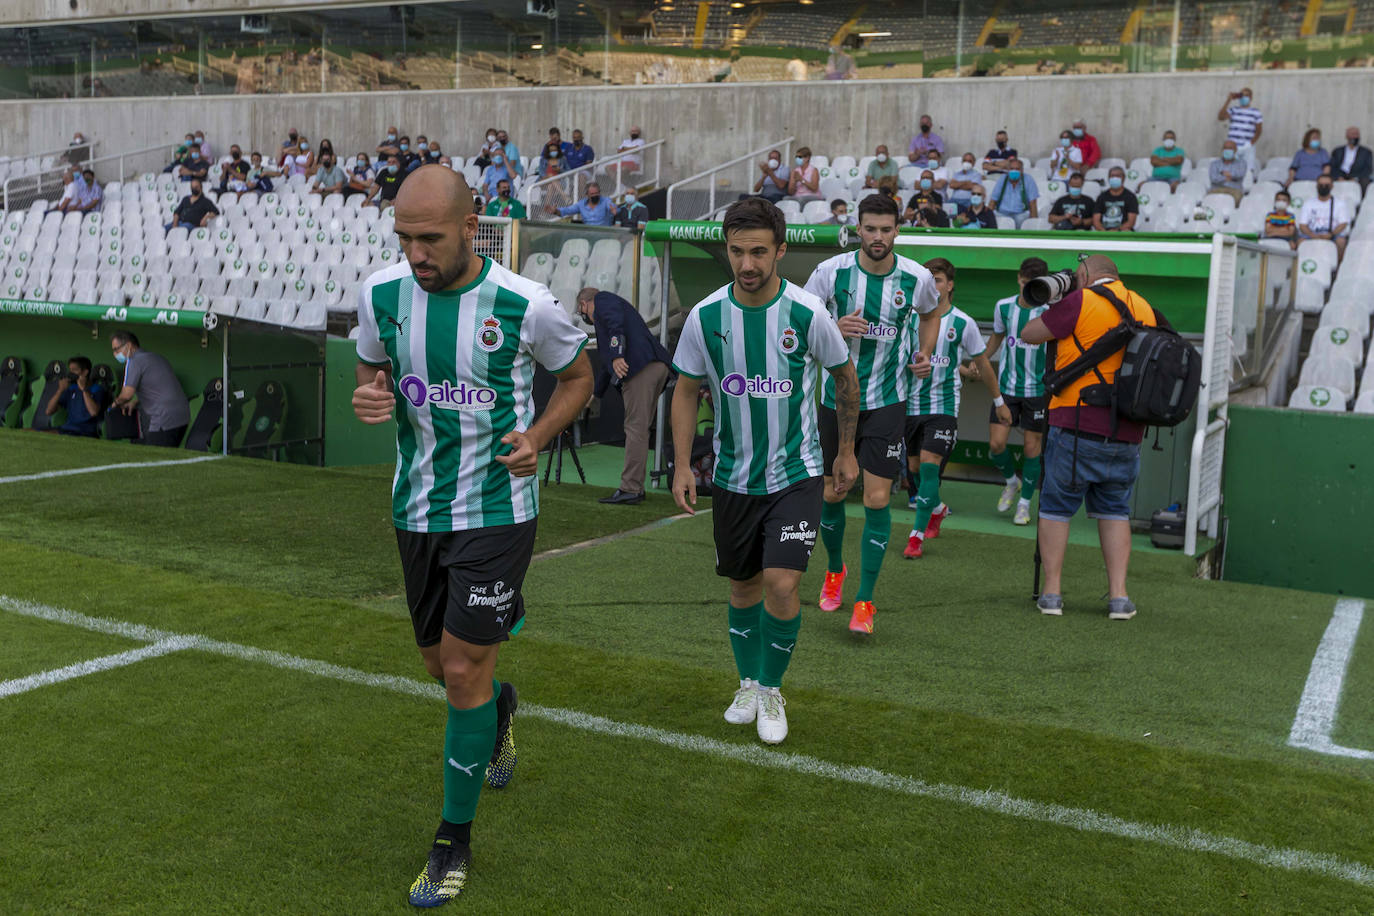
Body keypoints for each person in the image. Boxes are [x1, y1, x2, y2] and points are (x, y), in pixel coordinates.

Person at [350, 164, 593, 907]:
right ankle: (502, 704)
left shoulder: (527, 305)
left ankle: (452, 840)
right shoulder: (380, 294)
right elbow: (371, 368)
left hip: (496, 507)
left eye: (430, 238)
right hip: (415, 508)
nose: (417, 254)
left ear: (470, 223)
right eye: (405, 238)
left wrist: (539, 433)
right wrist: (371, 391)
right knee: (438, 664)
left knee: (460, 672)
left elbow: (579, 379)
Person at [669, 196, 859, 744]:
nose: (747, 263)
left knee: (781, 583)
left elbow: (844, 380)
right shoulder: (706, 316)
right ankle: (748, 682)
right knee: (744, 586)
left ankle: (773, 689)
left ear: (780, 251)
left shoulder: (806, 313)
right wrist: (683, 464)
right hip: (731, 478)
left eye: (758, 252)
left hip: (796, 474)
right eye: (737, 252)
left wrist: (845, 451)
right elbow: (685, 389)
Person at [803, 193, 939, 635]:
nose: (878, 237)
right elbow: (801, 318)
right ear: (857, 229)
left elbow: (931, 313)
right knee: (833, 493)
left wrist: (924, 352)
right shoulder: (831, 272)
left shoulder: (916, 278)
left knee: (878, 499)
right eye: (870, 228)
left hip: (886, 401)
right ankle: (835, 570)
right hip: (834, 399)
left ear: (897, 230)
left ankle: (865, 600)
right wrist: (832, 326)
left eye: (886, 229)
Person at [1019, 255, 1159, 621]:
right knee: (1114, 511)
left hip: (1076, 420)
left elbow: (1029, 334)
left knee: (1055, 508)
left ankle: (1051, 593)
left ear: (1085, 274)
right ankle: (1119, 598)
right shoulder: (1142, 305)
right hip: (1128, 428)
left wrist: (1058, 302)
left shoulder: (1080, 301)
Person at [901, 258, 1011, 559]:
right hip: (908, 406)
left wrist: (999, 401)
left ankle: (916, 537)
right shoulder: (910, 318)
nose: (932, 285)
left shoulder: (963, 322)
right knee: (914, 472)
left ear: (949, 285)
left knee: (928, 466)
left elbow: (983, 362)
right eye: (927, 279)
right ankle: (937, 509)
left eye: (936, 279)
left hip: (943, 408)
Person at [576, 286, 672, 505]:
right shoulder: (607, 310)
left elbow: (615, 324)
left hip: (640, 368)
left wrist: (618, 354)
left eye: (582, 311)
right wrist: (595, 394)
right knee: (640, 428)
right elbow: (604, 365)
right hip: (654, 367)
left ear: (584, 304)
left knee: (635, 428)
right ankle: (634, 486)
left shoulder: (603, 300)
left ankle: (630, 488)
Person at [979, 258, 1050, 526]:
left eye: (1034, 284)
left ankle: (1024, 504)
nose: (1028, 287)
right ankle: (1011, 482)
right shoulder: (1004, 307)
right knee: (996, 445)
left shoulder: (1050, 310)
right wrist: (980, 361)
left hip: (1038, 391)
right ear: (1019, 279)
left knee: (1032, 449)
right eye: (1024, 282)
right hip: (1007, 389)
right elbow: (996, 338)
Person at [110, 331, 191, 447]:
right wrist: (135, 401)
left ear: (128, 345)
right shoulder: (156, 357)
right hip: (183, 416)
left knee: (154, 459)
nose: (115, 353)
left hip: (164, 418)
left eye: (116, 349)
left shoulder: (134, 361)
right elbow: (156, 387)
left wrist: (115, 404)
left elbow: (126, 394)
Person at [45, 356, 105, 438]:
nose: (71, 373)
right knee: (31, 431)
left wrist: (84, 389)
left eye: (74, 370)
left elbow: (93, 412)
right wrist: (60, 390)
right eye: (70, 370)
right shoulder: (72, 389)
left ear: (85, 372)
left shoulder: (97, 389)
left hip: (85, 431)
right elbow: (49, 411)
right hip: (67, 428)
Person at [1298, 178, 1351, 260]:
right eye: (1321, 185)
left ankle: (1337, 268)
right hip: (1312, 233)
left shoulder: (1340, 203)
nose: (1323, 187)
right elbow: (1302, 225)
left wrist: (1331, 234)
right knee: (1300, 241)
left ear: (1332, 186)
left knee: (1341, 241)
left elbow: (1343, 224)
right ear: (1316, 186)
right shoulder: (1308, 203)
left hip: (1332, 234)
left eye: (1327, 185)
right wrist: (1312, 235)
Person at [1218, 87, 1263, 176]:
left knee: (1247, 172)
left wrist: (1250, 143)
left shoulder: (1256, 112)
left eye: (1246, 95)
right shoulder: (1234, 110)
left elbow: (1259, 131)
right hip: (1233, 147)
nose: (1243, 97)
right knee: (1230, 170)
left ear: (1250, 98)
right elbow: (1221, 117)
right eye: (1242, 95)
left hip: (1247, 146)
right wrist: (1228, 100)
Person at [989, 159, 1038, 227]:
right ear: (1008, 170)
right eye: (1012, 169)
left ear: (1022, 170)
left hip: (1021, 214)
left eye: (1017, 169)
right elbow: (993, 201)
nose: (1014, 171)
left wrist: (1034, 224)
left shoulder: (1028, 180)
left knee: (1022, 219)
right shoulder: (1002, 179)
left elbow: (1033, 204)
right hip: (1002, 213)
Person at [1092, 167, 1139, 232]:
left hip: (1122, 231)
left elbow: (1131, 222)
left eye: (1118, 176)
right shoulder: (1101, 197)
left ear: (1123, 178)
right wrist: (1105, 232)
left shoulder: (1130, 197)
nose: (1115, 178)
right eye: (1112, 176)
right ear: (1108, 178)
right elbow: (1096, 221)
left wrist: (1117, 230)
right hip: (1104, 232)